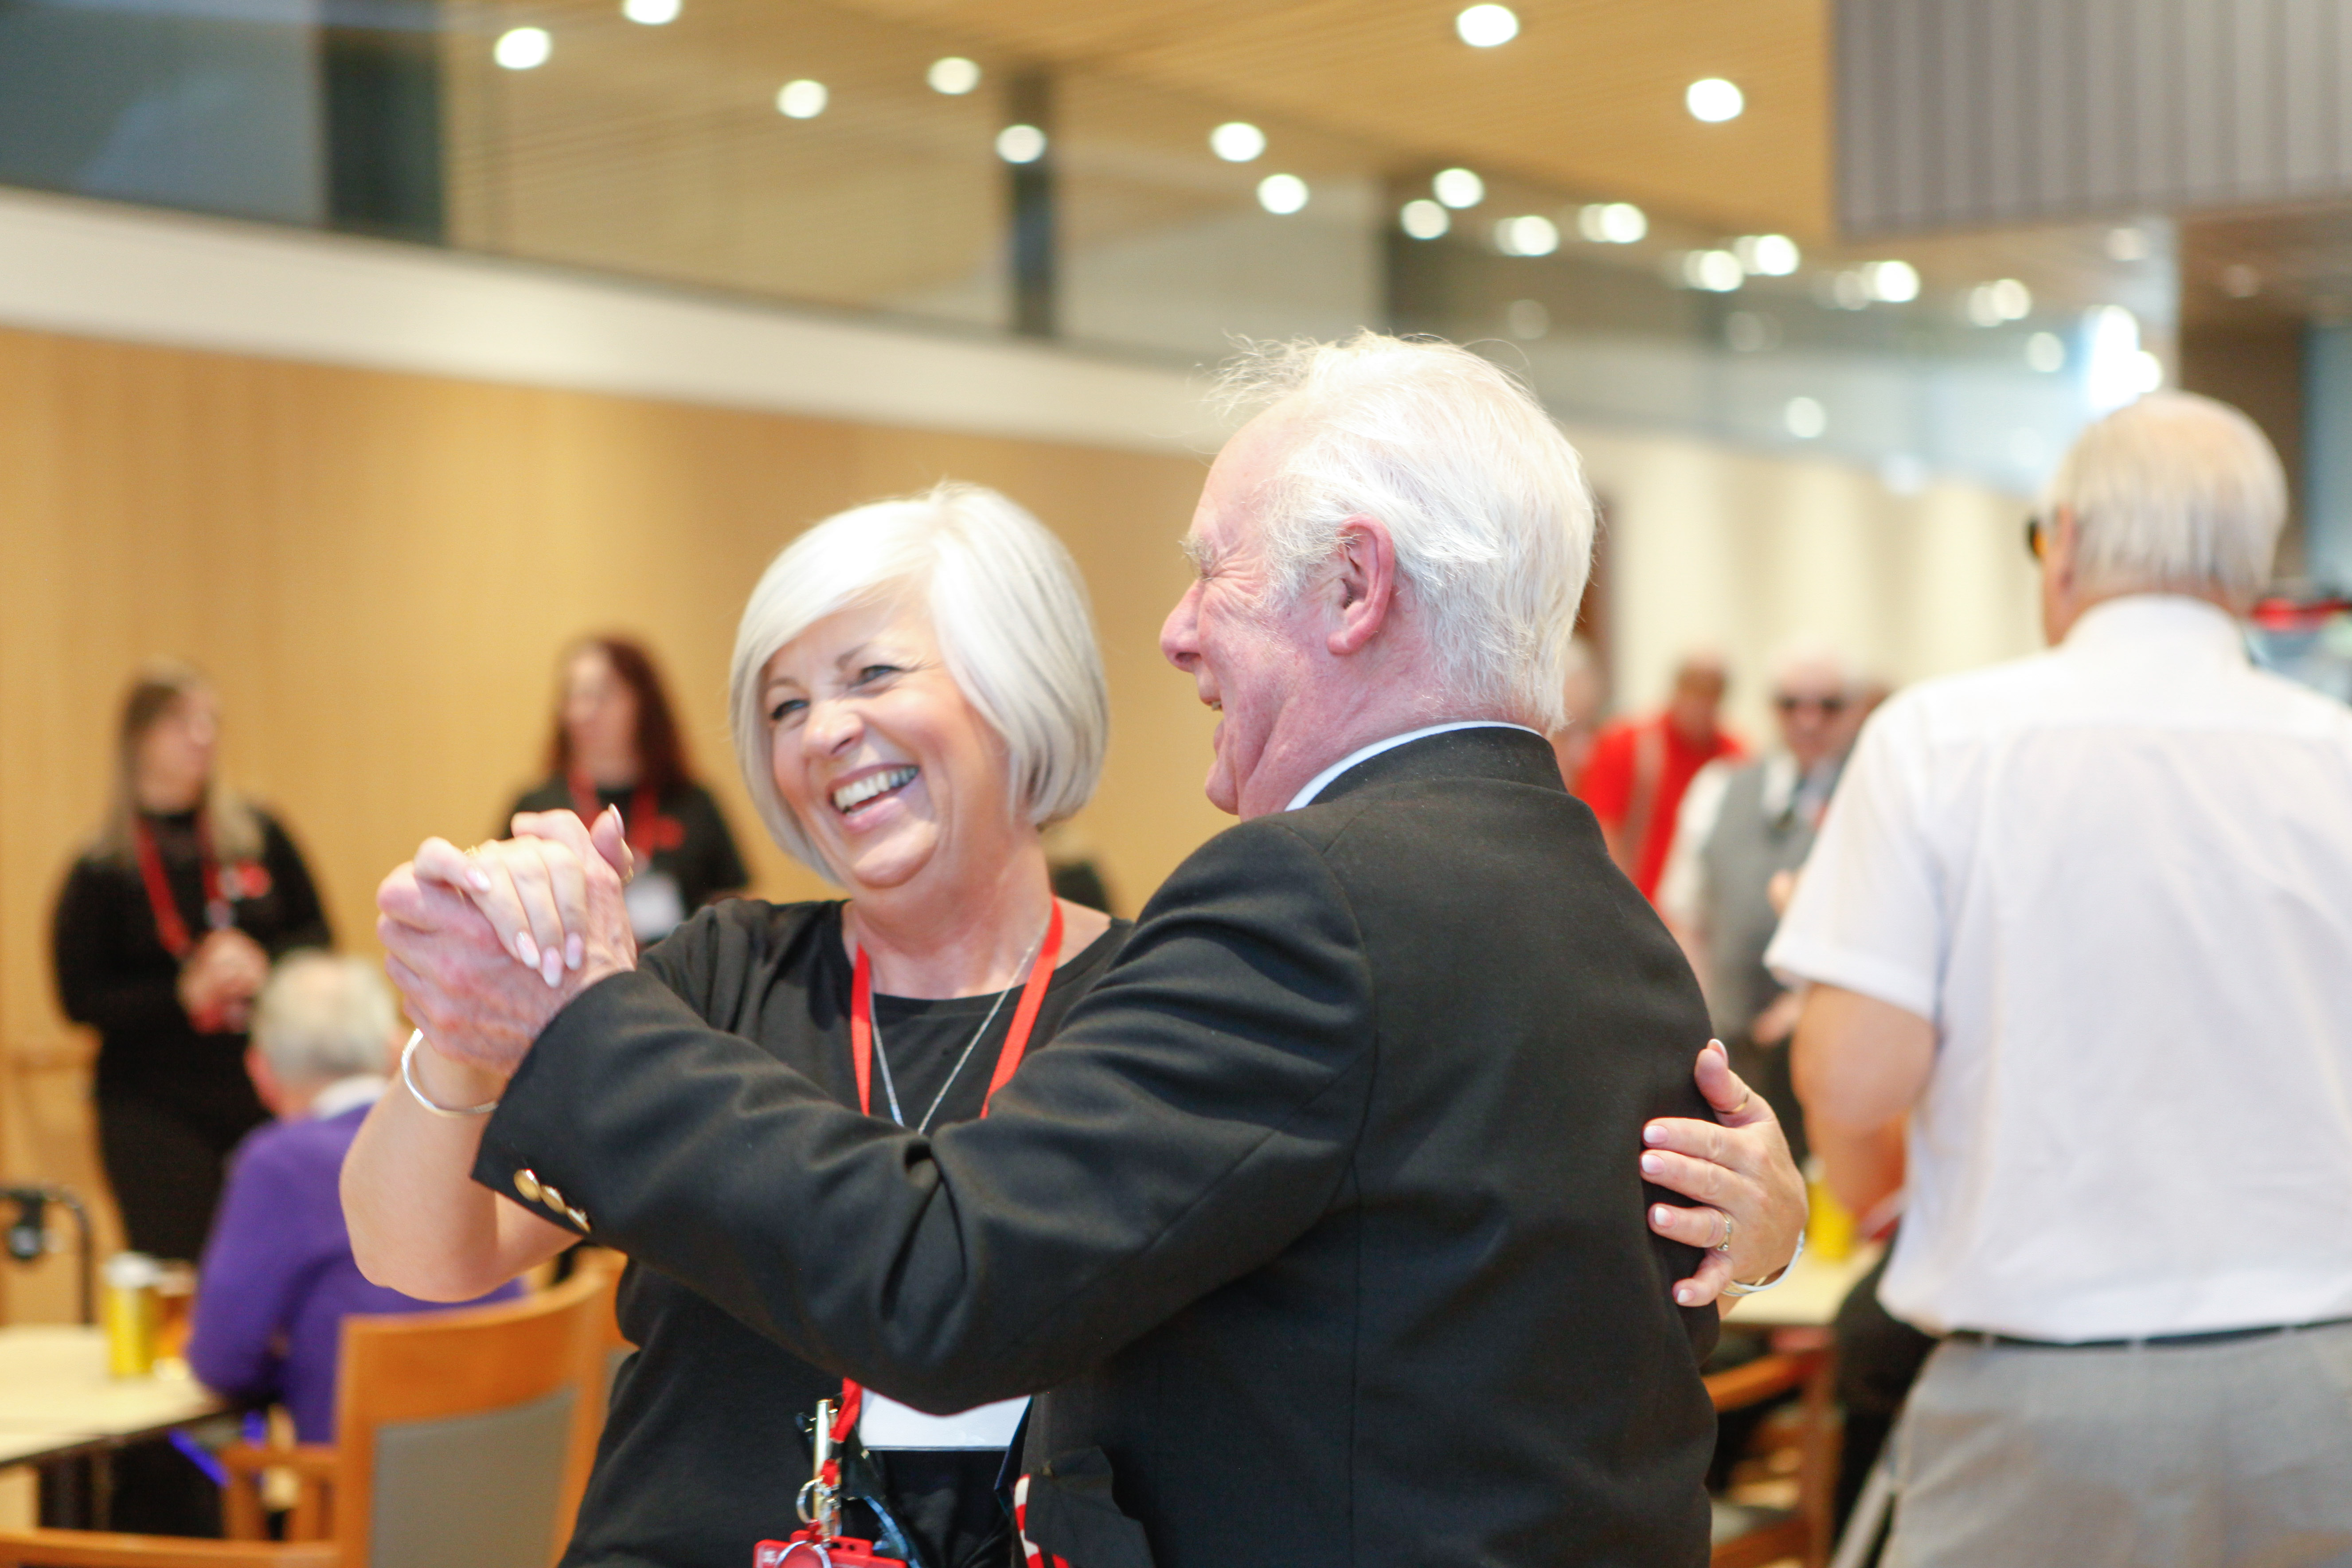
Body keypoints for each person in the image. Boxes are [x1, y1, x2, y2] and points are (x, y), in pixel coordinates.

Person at [357, 339, 1809, 1568]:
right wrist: (487, 1027)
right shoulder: (1583, 898)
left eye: (871, 674)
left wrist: (582, 1015)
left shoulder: (1255, 933)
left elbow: (940, 1275)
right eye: (783, 700)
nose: (1176, 627)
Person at [1777, 391, 2352, 1565]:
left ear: (2069, 543)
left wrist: (1891, 1194)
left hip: (2042, 1393)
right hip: (2323, 1380)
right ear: (2250, 572)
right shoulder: (2334, 755)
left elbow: (1853, 1075)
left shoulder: (1939, 743)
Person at [52, 663, 331, 1263]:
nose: (202, 736)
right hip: (152, 1103)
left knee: (279, 1263)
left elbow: (319, 938)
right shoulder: (102, 867)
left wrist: (267, 966)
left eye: (210, 722)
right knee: (180, 1271)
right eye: (182, 723)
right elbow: (80, 998)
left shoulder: (259, 833)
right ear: (138, 741)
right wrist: (181, 992)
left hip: (264, 1088)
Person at [187, 954, 520, 1441]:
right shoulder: (462, 1134)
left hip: (367, 1495)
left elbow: (222, 1361)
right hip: (515, 1476)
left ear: (260, 1071)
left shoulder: (277, 1164)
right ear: (391, 1050)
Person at [1656, 640, 1861, 1163]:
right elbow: (1685, 912)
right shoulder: (1720, 788)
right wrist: (1705, 1007)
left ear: (1851, 711)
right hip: (1726, 1043)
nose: (1808, 720)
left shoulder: (1871, 798)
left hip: (1826, 1049)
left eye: (1828, 705)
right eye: (1791, 704)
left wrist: (1804, 1004)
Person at [507, 635, 748, 945]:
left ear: (642, 703)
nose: (583, 712)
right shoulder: (537, 807)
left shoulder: (694, 803)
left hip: (679, 984)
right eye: (573, 696)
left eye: (601, 695)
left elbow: (731, 911)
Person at [1575, 650, 1743, 901]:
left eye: (1712, 692)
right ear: (1676, 688)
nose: (1702, 701)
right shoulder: (1627, 745)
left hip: (1697, 921)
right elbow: (1600, 838)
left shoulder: (1735, 759)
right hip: (1637, 912)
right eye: (1694, 688)